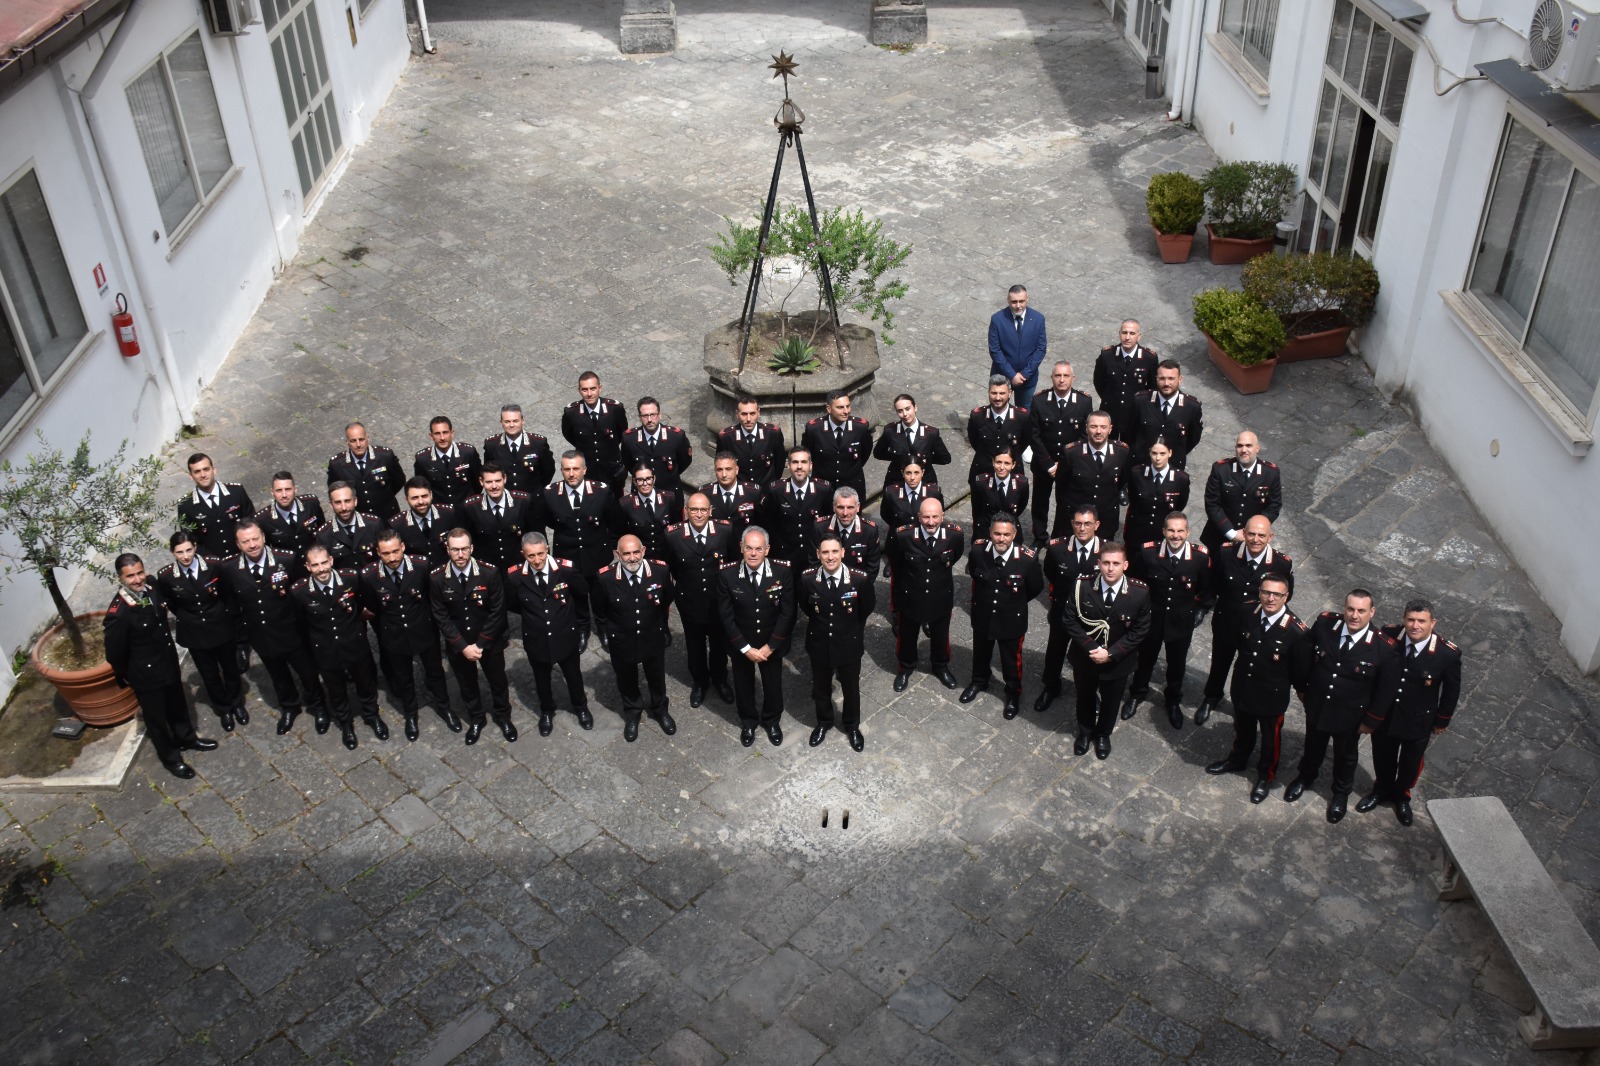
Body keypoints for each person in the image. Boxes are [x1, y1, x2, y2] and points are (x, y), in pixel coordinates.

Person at [1285, 590, 1401, 824]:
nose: (1354, 615)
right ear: (1344, 608)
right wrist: (1302, 687)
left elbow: (1386, 690)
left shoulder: (1384, 648)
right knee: (1313, 744)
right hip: (1318, 704)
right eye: (1350, 609)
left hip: (1351, 715)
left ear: (1372, 612)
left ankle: (1340, 794)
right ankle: (1305, 777)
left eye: (1361, 611)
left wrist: (1371, 721)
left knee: (1346, 756)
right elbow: (1305, 654)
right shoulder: (1326, 624)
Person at [104, 553, 217, 779]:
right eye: (130, 576)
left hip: (166, 661)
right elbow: (115, 653)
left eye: (139, 573)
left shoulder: (152, 587)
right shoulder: (119, 613)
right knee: (156, 719)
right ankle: (171, 759)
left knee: (177, 703)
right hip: (145, 673)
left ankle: (187, 738)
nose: (137, 579)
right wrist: (126, 675)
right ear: (120, 579)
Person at [1204, 572, 1312, 803]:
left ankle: (1265, 776)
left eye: (1276, 594)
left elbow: (1300, 671)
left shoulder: (1296, 632)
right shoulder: (1248, 612)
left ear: (1286, 597)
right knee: (1242, 727)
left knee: (1270, 740)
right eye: (1266, 592)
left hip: (1271, 695)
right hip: (1243, 685)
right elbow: (1240, 645)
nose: (1270, 598)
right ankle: (1238, 759)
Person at [218, 521, 326, 735]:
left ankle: (319, 707)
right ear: (237, 545)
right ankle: (289, 707)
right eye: (245, 541)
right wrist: (243, 638)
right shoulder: (229, 568)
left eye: (255, 538)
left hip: (291, 630)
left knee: (308, 672)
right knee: (278, 675)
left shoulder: (285, 559)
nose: (252, 545)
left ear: (264, 537)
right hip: (261, 633)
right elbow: (232, 605)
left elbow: (302, 591)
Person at [1363, 600, 1463, 826]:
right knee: (1383, 756)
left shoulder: (1446, 654)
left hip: (1417, 720)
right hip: (1387, 715)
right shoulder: (1389, 635)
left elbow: (1451, 691)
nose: (1415, 626)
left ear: (1432, 623)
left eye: (1421, 621)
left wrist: (1441, 721)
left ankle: (1402, 796)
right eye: (1410, 620)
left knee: (1410, 763)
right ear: (1404, 619)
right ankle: (1381, 790)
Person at [360, 530, 456, 742]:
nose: (392, 558)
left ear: (403, 547)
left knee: (435, 673)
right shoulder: (368, 576)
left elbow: (432, 597)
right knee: (403, 679)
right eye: (386, 553)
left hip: (423, 631)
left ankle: (445, 707)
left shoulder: (421, 565)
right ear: (378, 552)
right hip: (394, 636)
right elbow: (374, 609)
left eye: (396, 551)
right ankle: (410, 715)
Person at [1196, 515, 1292, 726]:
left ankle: (1242, 705)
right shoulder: (1226, 552)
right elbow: (1214, 582)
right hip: (1227, 621)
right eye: (1251, 534)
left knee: (1250, 668)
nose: (1255, 539)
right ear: (1243, 533)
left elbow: (1286, 594)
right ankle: (1211, 696)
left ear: (1270, 537)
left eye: (1261, 535)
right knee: (1219, 662)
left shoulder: (1280, 563)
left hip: (1257, 629)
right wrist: (1205, 605)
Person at [292, 544, 388, 751]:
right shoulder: (300, 592)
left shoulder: (351, 579)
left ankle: (372, 716)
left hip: (354, 643)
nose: (321, 569)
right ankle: (346, 725)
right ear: (307, 567)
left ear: (331, 561)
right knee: (336, 691)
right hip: (326, 650)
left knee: (366, 685)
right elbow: (301, 622)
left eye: (324, 562)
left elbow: (364, 603)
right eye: (315, 565)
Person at [1060, 542, 1150, 759]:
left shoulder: (1139, 592)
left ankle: (1102, 736)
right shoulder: (1083, 586)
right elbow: (1069, 620)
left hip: (1118, 662)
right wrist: (1092, 648)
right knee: (1084, 697)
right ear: (1098, 564)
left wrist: (1111, 653)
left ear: (1125, 565)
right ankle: (1085, 732)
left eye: (1116, 564)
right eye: (1106, 563)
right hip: (1086, 657)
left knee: (1111, 701)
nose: (1110, 568)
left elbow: (1140, 629)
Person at [430, 529, 515, 745]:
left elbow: (497, 610)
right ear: (447, 550)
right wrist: (462, 645)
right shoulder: (437, 577)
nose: (460, 554)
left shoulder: (489, 573)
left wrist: (481, 643)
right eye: (455, 549)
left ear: (472, 549)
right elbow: (440, 615)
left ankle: (503, 716)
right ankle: (476, 718)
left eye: (464, 549)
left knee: (498, 681)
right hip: (459, 643)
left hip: (488, 641)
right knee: (467, 684)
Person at [155, 531, 246, 732]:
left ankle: (237, 704)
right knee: (210, 674)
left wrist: (226, 617)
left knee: (231, 669)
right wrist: (188, 617)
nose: (185, 556)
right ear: (173, 553)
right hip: (195, 632)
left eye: (188, 550)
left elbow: (227, 594)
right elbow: (170, 602)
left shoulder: (214, 565)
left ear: (195, 547)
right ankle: (224, 709)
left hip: (220, 625)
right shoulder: (166, 576)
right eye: (180, 552)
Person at [1127, 513, 1210, 728]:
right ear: (1164, 532)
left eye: (1180, 531)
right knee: (1145, 660)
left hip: (1181, 622)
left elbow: (1205, 588)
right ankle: (1137, 693)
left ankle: (1173, 701)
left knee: (1176, 665)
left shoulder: (1199, 558)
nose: (1176, 535)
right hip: (1152, 620)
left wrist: (1199, 609)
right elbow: (1134, 582)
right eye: (1171, 530)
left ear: (1188, 533)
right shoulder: (1148, 553)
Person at [506, 533, 593, 736]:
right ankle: (547, 710)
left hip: (565, 634)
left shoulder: (566, 570)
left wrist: (582, 626)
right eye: (531, 556)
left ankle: (581, 707)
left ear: (548, 550)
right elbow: (513, 602)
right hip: (536, 638)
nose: (537, 560)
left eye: (540, 554)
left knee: (573, 676)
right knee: (541, 679)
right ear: (523, 555)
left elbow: (581, 595)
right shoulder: (515, 576)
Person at [718, 526, 797, 747]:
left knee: (773, 684)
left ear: (767, 550)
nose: (753, 553)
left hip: (771, 643)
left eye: (758, 549)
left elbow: (788, 612)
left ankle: (772, 721)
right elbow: (725, 615)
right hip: (742, 644)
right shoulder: (728, 574)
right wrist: (745, 648)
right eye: (749, 548)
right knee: (743, 685)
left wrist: (771, 646)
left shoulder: (782, 572)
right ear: (741, 548)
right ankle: (748, 722)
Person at [542, 450, 626, 650]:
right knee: (576, 593)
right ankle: (582, 627)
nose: (571, 474)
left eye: (576, 469)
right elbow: (548, 520)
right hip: (569, 555)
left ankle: (603, 626)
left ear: (584, 470)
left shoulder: (601, 491)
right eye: (567, 469)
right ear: (561, 470)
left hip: (597, 552)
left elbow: (615, 519)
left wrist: (614, 545)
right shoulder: (551, 493)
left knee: (599, 593)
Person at [962, 513, 1044, 718]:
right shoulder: (979, 551)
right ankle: (979, 681)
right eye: (997, 533)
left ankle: (1013, 693)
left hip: (1011, 620)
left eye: (1006, 534)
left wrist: (1012, 603)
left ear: (1014, 534)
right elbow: (975, 574)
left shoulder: (1027, 560)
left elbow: (1035, 587)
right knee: (980, 652)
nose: (1001, 539)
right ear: (990, 533)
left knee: (1010, 661)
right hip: (983, 614)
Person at [596, 535, 677, 742]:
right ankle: (633, 712)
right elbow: (600, 610)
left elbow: (668, 597)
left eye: (635, 552)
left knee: (656, 675)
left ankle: (660, 709)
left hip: (652, 634)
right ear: (617, 555)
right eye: (626, 553)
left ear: (643, 551)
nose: (632, 558)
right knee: (626, 678)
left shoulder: (660, 571)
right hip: (622, 639)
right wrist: (608, 634)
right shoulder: (605, 577)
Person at [799, 534, 875, 751]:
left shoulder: (859, 579)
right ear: (818, 555)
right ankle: (824, 722)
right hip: (819, 642)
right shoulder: (807, 579)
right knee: (821, 688)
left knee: (851, 688)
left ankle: (852, 726)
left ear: (843, 552)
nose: (830, 557)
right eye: (825, 552)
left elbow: (866, 608)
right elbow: (806, 607)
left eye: (834, 551)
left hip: (848, 643)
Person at [664, 494, 736, 708]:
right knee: (694, 646)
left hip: (717, 602)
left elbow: (732, 564)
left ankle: (720, 679)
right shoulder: (673, 535)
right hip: (690, 601)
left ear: (710, 511)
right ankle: (700, 682)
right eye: (693, 510)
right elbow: (671, 567)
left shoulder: (725, 530)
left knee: (719, 644)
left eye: (703, 510)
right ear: (686, 511)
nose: (698, 514)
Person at [886, 498, 963, 690]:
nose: (931, 522)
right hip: (911, 597)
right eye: (926, 517)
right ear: (919, 517)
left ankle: (940, 666)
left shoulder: (954, 535)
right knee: (907, 635)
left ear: (942, 516)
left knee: (940, 635)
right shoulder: (904, 536)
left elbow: (956, 556)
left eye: (935, 516)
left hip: (940, 596)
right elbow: (897, 564)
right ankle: (906, 667)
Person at [1036, 505, 1102, 713]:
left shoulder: (1106, 552)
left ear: (1096, 525)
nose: (1082, 528)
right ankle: (1051, 686)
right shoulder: (1057, 548)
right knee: (1055, 651)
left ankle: (1090, 692)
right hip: (1063, 612)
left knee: (1090, 655)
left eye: (1087, 524)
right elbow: (1051, 573)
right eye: (1078, 523)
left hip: (1092, 617)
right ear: (1072, 524)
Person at [1029, 360, 1094, 545]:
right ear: (1052, 378)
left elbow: (1083, 435)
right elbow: (1034, 435)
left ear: (1073, 378)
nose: (1062, 380)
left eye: (1066, 376)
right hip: (1044, 463)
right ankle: (1039, 537)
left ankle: (1061, 536)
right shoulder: (1039, 400)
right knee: (1040, 501)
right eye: (1058, 375)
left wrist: (1064, 463)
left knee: (1066, 502)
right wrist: (1049, 464)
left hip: (1069, 465)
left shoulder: (1084, 401)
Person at [1200, 431, 1282, 556]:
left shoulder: (1270, 473)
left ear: (1257, 448)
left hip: (1253, 542)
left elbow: (1274, 506)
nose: (1244, 450)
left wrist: (1253, 532)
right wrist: (1231, 533)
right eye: (1240, 446)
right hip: (1220, 536)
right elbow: (1212, 504)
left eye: (1248, 445)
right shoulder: (1221, 469)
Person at [1052, 411, 1131, 539]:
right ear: (1086, 427)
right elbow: (1061, 487)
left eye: (1103, 427)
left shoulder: (1121, 451)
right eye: (1094, 426)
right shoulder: (1071, 453)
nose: (1098, 431)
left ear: (1110, 429)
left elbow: (1122, 481)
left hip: (1106, 518)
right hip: (1078, 519)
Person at [560, 371, 630, 493]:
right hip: (588, 472)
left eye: (593, 389)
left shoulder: (614, 409)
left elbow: (621, 433)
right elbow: (569, 435)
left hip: (612, 470)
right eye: (585, 390)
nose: (589, 394)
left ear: (600, 388)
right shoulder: (571, 413)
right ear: (579, 390)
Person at [460, 463, 538, 570]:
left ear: (504, 479)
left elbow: (535, 534)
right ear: (481, 482)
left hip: (517, 568)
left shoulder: (523, 502)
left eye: (498, 481)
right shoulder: (471, 507)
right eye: (488, 482)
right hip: (486, 570)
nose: (494, 486)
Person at [762, 447, 832, 567]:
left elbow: (829, 522)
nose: (799, 467)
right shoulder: (776, 490)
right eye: (795, 462)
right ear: (788, 465)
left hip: (815, 558)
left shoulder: (823, 489)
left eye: (804, 462)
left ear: (810, 465)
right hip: (785, 558)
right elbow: (770, 524)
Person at [1127, 360, 1203, 470]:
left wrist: (1176, 454)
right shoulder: (1141, 401)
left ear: (1180, 379)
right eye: (1162, 378)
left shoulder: (1191, 406)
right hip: (1143, 465)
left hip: (1173, 467)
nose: (1166, 383)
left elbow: (1193, 438)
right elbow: (1131, 431)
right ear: (1156, 378)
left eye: (1171, 378)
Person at [1092, 320, 1159, 444]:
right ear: (1119, 334)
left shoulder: (1148, 358)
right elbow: (1098, 381)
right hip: (1110, 411)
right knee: (1106, 447)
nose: (1127, 337)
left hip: (1134, 414)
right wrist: (1110, 398)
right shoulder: (1107, 355)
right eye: (1124, 332)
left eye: (1132, 333)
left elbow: (1153, 387)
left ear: (1139, 336)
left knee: (1130, 449)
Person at [176, 452, 254, 558]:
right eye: (197, 472)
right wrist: (213, 562)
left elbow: (252, 522)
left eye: (206, 469)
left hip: (243, 556)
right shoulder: (186, 506)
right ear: (191, 476)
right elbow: (191, 542)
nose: (203, 475)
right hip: (214, 565)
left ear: (214, 470)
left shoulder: (236, 492)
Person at [800, 390, 874, 497]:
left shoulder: (860, 427)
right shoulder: (815, 429)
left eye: (848, 406)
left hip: (852, 487)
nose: (846, 411)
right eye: (840, 407)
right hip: (824, 489)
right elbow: (807, 454)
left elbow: (865, 453)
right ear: (829, 409)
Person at [328, 421, 408, 518]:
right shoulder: (337, 465)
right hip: (359, 517)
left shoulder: (384, 456)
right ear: (347, 442)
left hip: (386, 514)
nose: (358, 444)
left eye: (361, 439)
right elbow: (334, 490)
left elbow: (399, 480)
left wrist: (384, 496)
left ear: (367, 438)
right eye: (353, 441)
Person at [1122, 441, 1190, 552]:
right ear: (1149, 453)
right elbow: (1133, 499)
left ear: (1170, 453)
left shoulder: (1181, 479)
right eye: (1154, 453)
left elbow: (1180, 506)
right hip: (1138, 531)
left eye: (1162, 453)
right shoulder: (1137, 473)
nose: (1158, 458)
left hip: (1161, 534)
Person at [987, 284, 1047, 410]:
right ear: (1008, 300)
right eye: (1014, 302)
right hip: (1002, 376)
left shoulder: (1038, 319)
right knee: (999, 409)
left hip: (1027, 378)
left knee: (1024, 411)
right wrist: (1012, 375)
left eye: (1021, 301)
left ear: (1027, 299)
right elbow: (995, 350)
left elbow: (1040, 349)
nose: (1018, 306)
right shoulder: (997, 320)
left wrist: (1025, 374)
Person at [874, 393, 951, 488]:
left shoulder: (930, 433)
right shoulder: (890, 431)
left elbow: (945, 458)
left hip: (924, 482)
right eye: (900, 411)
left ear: (915, 408)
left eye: (907, 409)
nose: (905, 414)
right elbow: (878, 453)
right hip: (897, 481)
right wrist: (899, 458)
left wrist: (924, 460)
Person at [966, 376, 1031, 485]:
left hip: (1011, 473)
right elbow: (975, 442)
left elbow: (1025, 441)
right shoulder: (977, 416)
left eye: (1002, 393)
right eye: (994, 393)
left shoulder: (1022, 417)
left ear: (1010, 393)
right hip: (983, 472)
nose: (997, 397)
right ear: (988, 392)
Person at [623, 396, 694, 495]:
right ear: (639, 417)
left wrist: (669, 475)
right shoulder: (630, 439)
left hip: (669, 492)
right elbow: (628, 463)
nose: (649, 420)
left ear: (659, 415)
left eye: (653, 415)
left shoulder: (676, 437)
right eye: (645, 416)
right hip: (641, 493)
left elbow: (685, 461)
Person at [811, 486, 883, 580]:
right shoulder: (820, 528)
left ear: (858, 507)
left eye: (850, 507)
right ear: (833, 507)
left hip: (858, 586)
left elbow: (872, 568)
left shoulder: (869, 530)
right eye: (841, 507)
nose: (845, 513)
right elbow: (814, 563)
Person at [482, 403, 555, 496]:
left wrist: (538, 489)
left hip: (532, 499)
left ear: (522, 421)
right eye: (507, 421)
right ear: (501, 423)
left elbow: (548, 470)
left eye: (515, 421)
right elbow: (489, 471)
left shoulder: (538, 443)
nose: (511, 425)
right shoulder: (492, 445)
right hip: (505, 499)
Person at [413, 415, 482, 510]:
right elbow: (422, 487)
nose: (442, 438)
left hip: (467, 510)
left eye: (445, 432)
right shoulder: (423, 459)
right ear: (431, 436)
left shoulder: (468, 453)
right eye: (437, 433)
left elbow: (478, 482)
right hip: (440, 512)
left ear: (452, 433)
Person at [716, 397, 787, 487]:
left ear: (758, 413)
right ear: (737, 414)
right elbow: (721, 465)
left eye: (752, 414)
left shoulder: (772, 434)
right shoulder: (727, 438)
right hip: (740, 493)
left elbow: (779, 463)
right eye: (744, 414)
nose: (748, 419)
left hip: (766, 492)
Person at [619, 463, 683, 562]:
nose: (645, 483)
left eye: (648, 478)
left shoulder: (669, 498)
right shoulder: (626, 504)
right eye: (640, 480)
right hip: (640, 559)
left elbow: (676, 528)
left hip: (665, 556)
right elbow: (623, 535)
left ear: (654, 478)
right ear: (634, 482)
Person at [313, 482, 383, 570]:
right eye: (338, 502)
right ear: (331, 505)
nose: (344, 508)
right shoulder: (324, 535)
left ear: (355, 501)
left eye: (347, 501)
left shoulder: (374, 524)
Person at [390, 477, 456, 569]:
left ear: (431, 495)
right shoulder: (397, 525)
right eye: (415, 498)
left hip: (445, 574)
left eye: (424, 496)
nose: (420, 502)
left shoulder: (447, 514)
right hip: (417, 578)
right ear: (407, 499)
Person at [254, 471, 326, 554]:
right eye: (279, 490)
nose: (284, 495)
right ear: (272, 492)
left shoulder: (311, 504)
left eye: (288, 489)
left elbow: (323, 532)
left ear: (295, 489)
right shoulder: (263, 520)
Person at [970, 448, 1029, 538]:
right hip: (987, 530)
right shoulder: (981, 483)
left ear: (1013, 465)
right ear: (993, 462)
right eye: (998, 462)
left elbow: (1021, 505)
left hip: (1009, 531)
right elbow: (977, 509)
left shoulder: (1021, 484)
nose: (1002, 467)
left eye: (1007, 463)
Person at [703, 452, 763, 537]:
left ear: (736, 470)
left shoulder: (752, 493)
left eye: (728, 469)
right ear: (715, 471)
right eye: (720, 470)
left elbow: (762, 524)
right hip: (716, 547)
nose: (724, 474)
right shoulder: (705, 494)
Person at [880, 459, 944, 533]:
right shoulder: (891, 493)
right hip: (899, 537)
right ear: (902, 473)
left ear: (922, 472)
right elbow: (885, 515)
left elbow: (939, 514)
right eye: (908, 473)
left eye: (916, 473)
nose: (912, 478)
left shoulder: (933, 493)